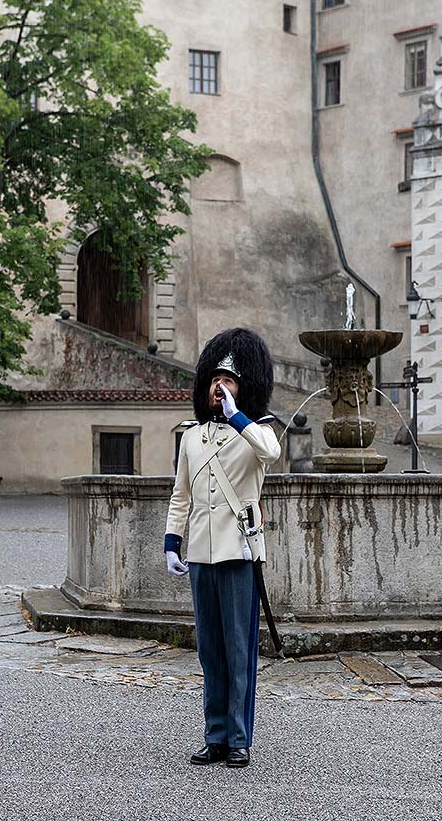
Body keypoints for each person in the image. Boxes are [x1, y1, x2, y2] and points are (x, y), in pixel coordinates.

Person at [164, 328, 281, 768]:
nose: (220, 386)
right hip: (200, 555)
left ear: (242, 387)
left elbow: (270, 452)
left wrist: (238, 417)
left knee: (239, 649)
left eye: (229, 380)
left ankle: (239, 737)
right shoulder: (192, 436)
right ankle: (214, 736)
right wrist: (173, 544)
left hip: (238, 552)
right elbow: (181, 495)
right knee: (210, 649)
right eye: (215, 380)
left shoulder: (257, 431)